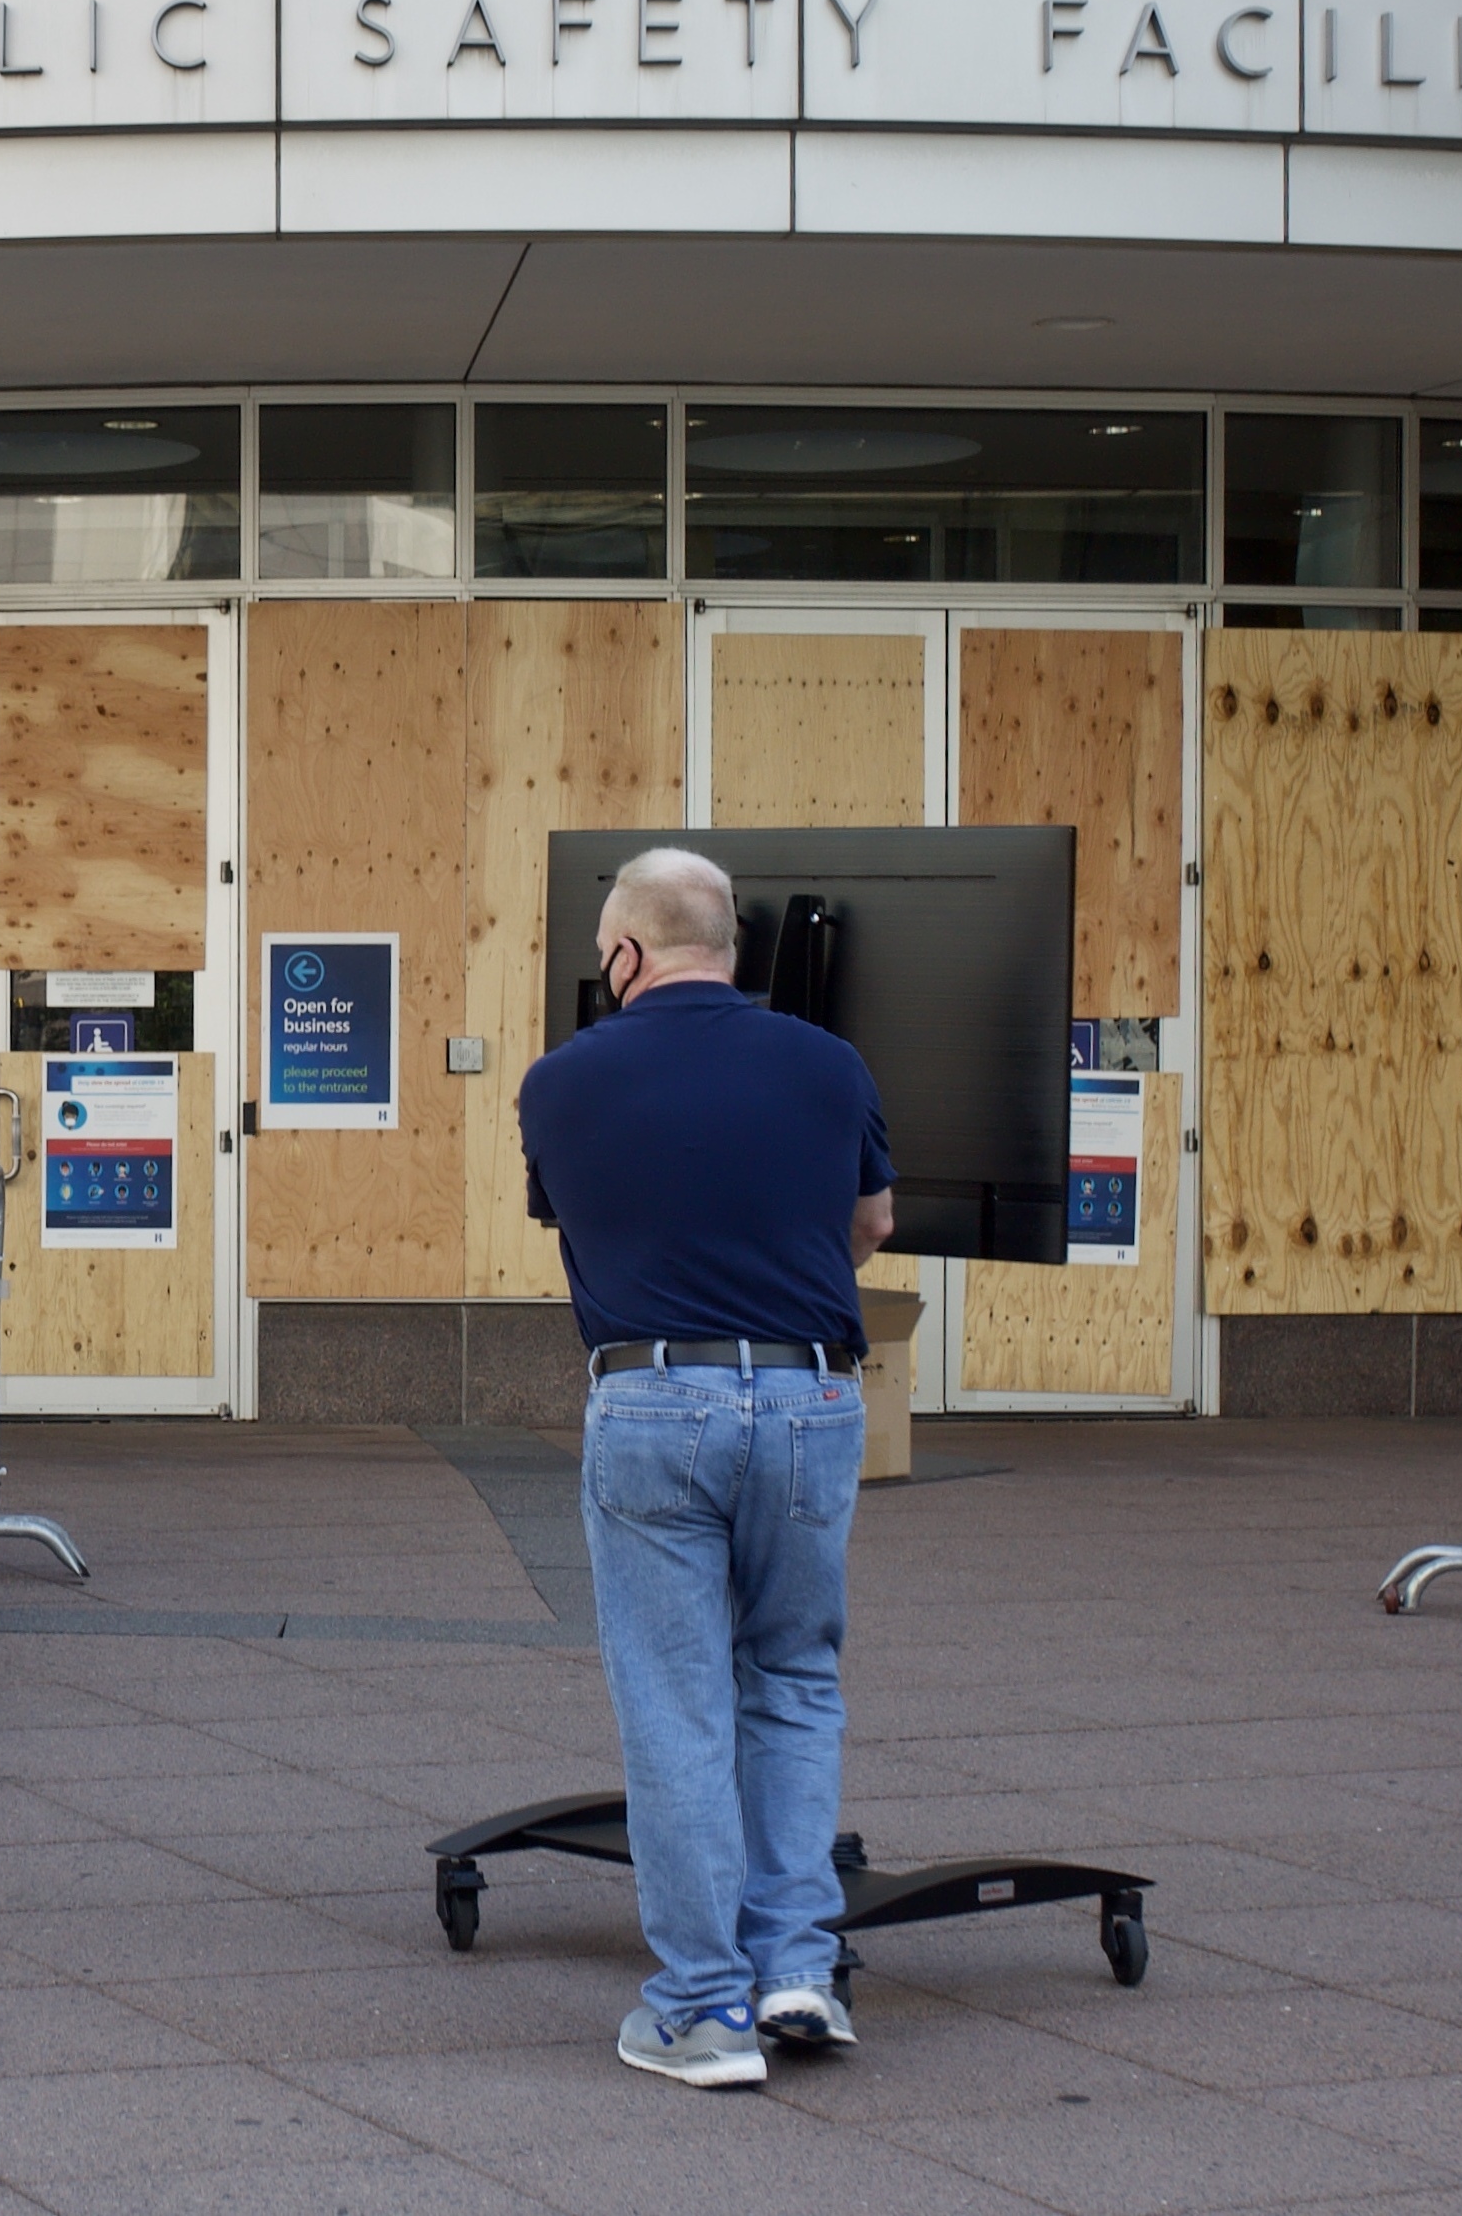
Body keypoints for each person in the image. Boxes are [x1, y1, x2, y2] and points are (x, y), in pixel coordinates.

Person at [514, 847, 894, 2090]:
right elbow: (871, 1224)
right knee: (790, 1676)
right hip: (809, 1394)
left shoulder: (561, 1083)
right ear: (731, 943)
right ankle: (796, 1966)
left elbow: (574, 1214)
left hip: (650, 1394)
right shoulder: (830, 1063)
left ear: (622, 953)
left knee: (676, 1702)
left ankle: (698, 2007)